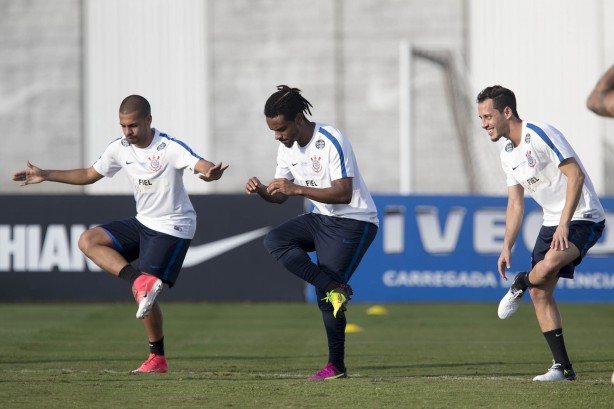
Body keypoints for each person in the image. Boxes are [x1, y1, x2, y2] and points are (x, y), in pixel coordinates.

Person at [12, 95, 228, 374]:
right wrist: (45, 174)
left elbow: (201, 164)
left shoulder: (169, 147)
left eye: (134, 126)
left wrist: (211, 173)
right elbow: (90, 174)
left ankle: (156, 356)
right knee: (88, 241)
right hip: (143, 222)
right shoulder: (120, 148)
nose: (128, 132)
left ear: (149, 120)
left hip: (174, 226)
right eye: (123, 126)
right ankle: (139, 285)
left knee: (146, 293)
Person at [245, 85, 378, 380]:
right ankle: (334, 285)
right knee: (275, 240)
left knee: (324, 297)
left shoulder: (331, 139)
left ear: (298, 119)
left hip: (354, 221)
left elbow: (344, 194)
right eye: (273, 131)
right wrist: (265, 192)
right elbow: (281, 195)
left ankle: (336, 366)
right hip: (321, 217)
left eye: (281, 129)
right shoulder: (286, 148)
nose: (277, 136)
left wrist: (296, 189)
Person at [476, 85, 605, 381]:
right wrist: (506, 245)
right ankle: (562, 368)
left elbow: (576, 175)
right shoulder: (507, 154)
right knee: (540, 292)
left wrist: (564, 222)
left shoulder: (540, 133)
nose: (484, 124)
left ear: (507, 112)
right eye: (481, 118)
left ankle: (521, 280)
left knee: (545, 267)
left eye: (487, 116)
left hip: (582, 216)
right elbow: (515, 204)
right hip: (551, 222)